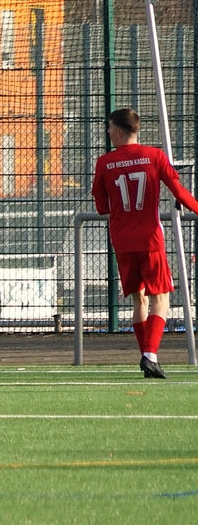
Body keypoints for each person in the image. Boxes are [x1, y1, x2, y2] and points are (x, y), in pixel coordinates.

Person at [91, 108, 198, 379]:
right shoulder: (155, 156)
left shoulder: (104, 163)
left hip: (122, 240)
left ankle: (149, 359)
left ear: (118, 132)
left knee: (138, 299)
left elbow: (102, 207)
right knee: (161, 298)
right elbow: (179, 192)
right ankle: (150, 355)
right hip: (150, 238)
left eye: (109, 128)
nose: (108, 132)